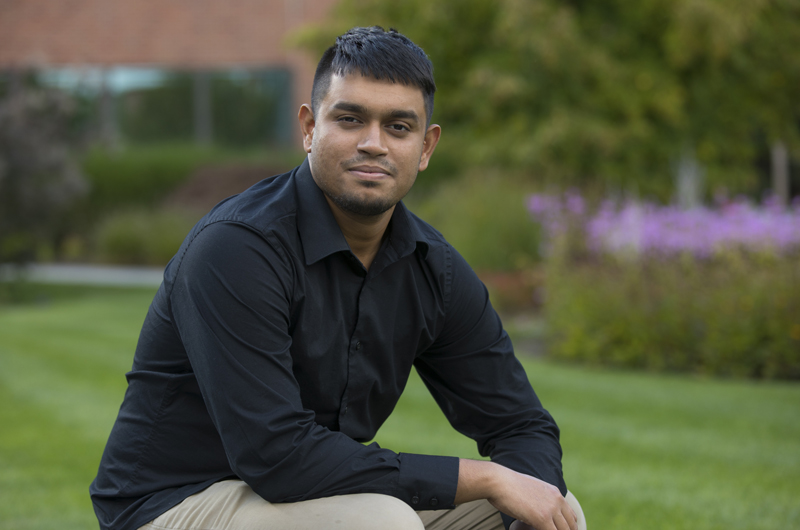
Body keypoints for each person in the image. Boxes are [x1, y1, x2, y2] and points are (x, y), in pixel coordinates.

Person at [90, 26, 586, 530]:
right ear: (309, 127)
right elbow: (277, 456)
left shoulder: (433, 268)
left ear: (426, 146)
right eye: (350, 119)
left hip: (312, 498)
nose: (373, 144)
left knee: (556, 510)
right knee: (380, 521)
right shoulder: (238, 248)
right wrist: (485, 478)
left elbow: (521, 424)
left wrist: (525, 499)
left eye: (398, 127)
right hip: (172, 503)